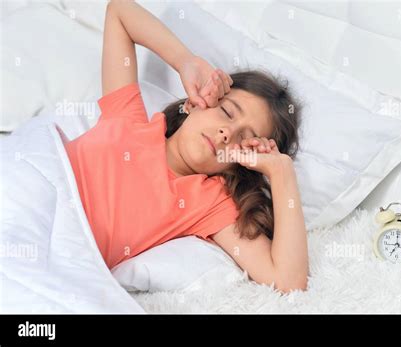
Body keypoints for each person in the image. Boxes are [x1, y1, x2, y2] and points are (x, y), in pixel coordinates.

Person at [65, 0, 308, 293]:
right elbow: (119, 12)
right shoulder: (128, 119)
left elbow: (288, 283)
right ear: (195, 102)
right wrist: (186, 61)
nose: (226, 133)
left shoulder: (209, 204)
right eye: (228, 112)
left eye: (245, 139)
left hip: (64, 254)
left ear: (244, 160)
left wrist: (281, 172)